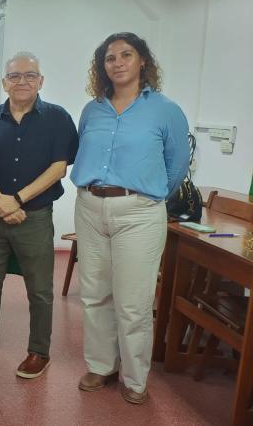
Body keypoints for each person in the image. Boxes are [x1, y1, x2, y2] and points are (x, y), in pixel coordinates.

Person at [71, 32, 189, 404]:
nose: (118, 62)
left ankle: (135, 378)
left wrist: (146, 194)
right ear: (101, 67)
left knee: (133, 302)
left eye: (126, 55)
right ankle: (101, 365)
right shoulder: (93, 109)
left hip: (139, 212)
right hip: (90, 206)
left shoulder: (165, 109)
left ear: (143, 62)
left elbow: (177, 166)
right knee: (94, 294)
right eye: (110, 58)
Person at [0, 52, 78, 379]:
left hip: (35, 217)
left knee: (40, 290)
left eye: (30, 75)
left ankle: (39, 352)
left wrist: (17, 200)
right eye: (15, 76)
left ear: (41, 81)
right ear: (4, 82)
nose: (22, 81)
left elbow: (58, 168)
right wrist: (0, 201)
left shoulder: (57, 118)